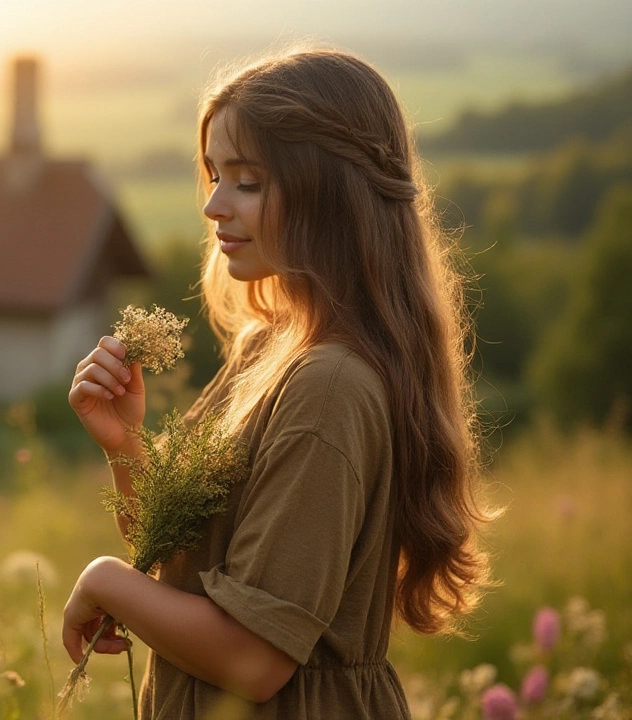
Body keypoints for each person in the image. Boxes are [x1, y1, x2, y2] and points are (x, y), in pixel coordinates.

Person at [62, 47, 493, 718]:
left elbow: (254, 659)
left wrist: (104, 582)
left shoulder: (330, 386)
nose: (212, 205)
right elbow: (189, 572)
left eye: (247, 181)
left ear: (329, 193)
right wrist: (125, 444)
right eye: (214, 175)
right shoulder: (271, 350)